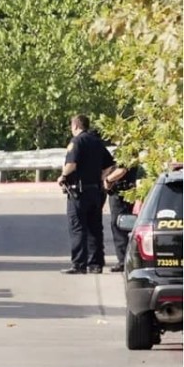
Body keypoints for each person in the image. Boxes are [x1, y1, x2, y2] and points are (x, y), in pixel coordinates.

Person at [57, 115, 115, 274]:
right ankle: (95, 264)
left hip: (78, 192)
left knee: (77, 228)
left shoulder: (76, 142)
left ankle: (79, 264)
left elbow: (71, 164)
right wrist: (101, 177)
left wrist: (62, 177)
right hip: (95, 191)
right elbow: (110, 164)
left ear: (75, 125)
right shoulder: (97, 141)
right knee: (95, 228)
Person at [104, 163, 139, 272]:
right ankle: (126, 259)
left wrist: (108, 180)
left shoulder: (128, 149)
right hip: (123, 192)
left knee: (119, 224)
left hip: (122, 193)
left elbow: (122, 170)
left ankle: (123, 261)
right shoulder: (130, 149)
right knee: (124, 225)